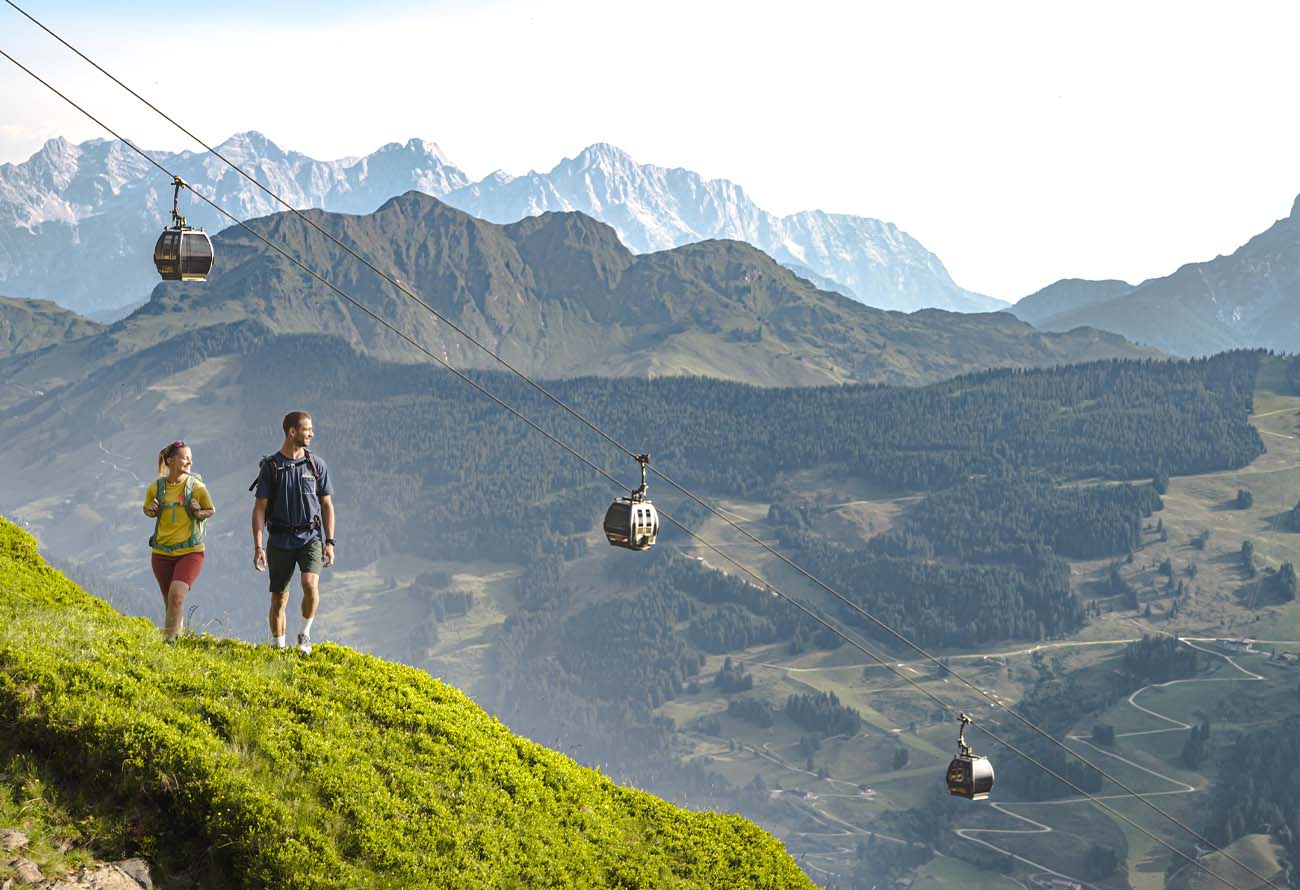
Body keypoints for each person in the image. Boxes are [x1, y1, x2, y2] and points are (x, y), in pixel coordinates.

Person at [251, 411, 335, 654]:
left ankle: (304, 633)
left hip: (310, 537)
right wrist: (258, 547)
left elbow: (327, 505)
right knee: (279, 599)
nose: (312, 433)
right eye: (307, 429)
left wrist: (329, 542)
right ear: (292, 432)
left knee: (310, 584)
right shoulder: (271, 466)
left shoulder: (316, 464)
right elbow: (259, 509)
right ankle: (279, 649)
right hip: (279, 539)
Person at [143, 440, 215, 644]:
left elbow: (210, 511)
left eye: (191, 458)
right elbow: (147, 509)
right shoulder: (156, 488)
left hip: (190, 552)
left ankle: (169, 644)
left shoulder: (197, 487)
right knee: (170, 602)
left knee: (176, 595)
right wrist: (151, 510)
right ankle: (176, 637)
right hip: (161, 553)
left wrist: (197, 511)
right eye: (185, 457)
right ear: (170, 461)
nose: (189, 461)